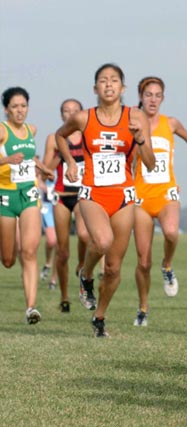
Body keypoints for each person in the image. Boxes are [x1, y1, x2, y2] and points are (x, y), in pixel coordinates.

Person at [56, 63, 155, 337]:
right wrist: (70, 163)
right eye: (103, 80)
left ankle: (99, 317)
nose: (108, 84)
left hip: (123, 196)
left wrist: (141, 139)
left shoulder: (135, 117)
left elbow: (150, 164)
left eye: (114, 80)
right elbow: (59, 136)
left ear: (122, 88)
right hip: (92, 192)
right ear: (95, 88)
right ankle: (86, 275)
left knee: (112, 268)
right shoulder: (83, 118)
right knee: (102, 240)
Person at [131, 76, 187, 327]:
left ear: (163, 98)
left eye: (157, 95)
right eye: (148, 94)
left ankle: (168, 265)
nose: (153, 99)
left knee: (172, 232)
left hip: (166, 191)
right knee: (143, 261)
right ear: (140, 96)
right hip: (140, 195)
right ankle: (142, 307)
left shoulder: (170, 122)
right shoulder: (131, 123)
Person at [0, 86, 54, 324]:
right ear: (6, 110)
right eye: (15, 107)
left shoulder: (32, 129)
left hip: (29, 194)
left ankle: (31, 307)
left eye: (23, 106)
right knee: (9, 260)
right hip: (5, 196)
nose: (20, 111)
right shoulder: (2, 131)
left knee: (30, 251)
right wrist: (6, 160)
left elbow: (29, 156)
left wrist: (43, 169)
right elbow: (14, 157)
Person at [42, 98, 90, 312]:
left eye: (75, 111)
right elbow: (45, 170)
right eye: (66, 111)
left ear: (81, 113)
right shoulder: (54, 138)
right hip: (61, 195)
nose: (70, 114)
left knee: (84, 235)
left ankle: (82, 264)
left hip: (81, 194)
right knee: (62, 252)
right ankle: (64, 296)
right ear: (61, 115)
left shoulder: (88, 135)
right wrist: (59, 156)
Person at [37, 178, 57, 287]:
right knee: (51, 240)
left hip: (61, 203)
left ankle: (53, 279)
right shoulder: (46, 164)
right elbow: (37, 178)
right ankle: (48, 263)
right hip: (47, 206)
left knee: (61, 246)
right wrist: (46, 188)